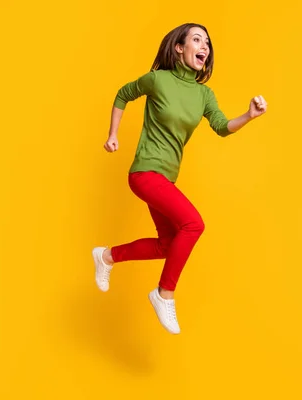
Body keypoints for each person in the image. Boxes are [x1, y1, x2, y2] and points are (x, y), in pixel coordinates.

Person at [92, 22, 267, 334]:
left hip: (166, 179)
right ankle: (164, 294)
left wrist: (249, 116)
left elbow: (221, 126)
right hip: (145, 171)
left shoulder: (203, 94)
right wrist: (113, 134)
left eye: (208, 43)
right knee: (193, 224)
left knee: (168, 245)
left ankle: (106, 256)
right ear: (179, 47)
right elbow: (123, 94)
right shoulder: (158, 80)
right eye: (197, 40)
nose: (204, 47)